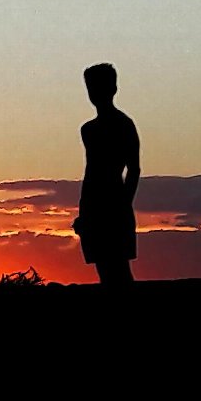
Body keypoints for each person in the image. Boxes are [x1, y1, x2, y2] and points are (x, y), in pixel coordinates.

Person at [73, 62, 140, 286]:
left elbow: (134, 168)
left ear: (113, 88)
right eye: (91, 88)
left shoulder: (124, 124)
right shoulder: (88, 130)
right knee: (104, 269)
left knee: (118, 270)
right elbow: (90, 171)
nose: (95, 93)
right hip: (93, 205)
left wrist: (123, 204)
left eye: (99, 87)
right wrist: (84, 212)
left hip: (115, 202)